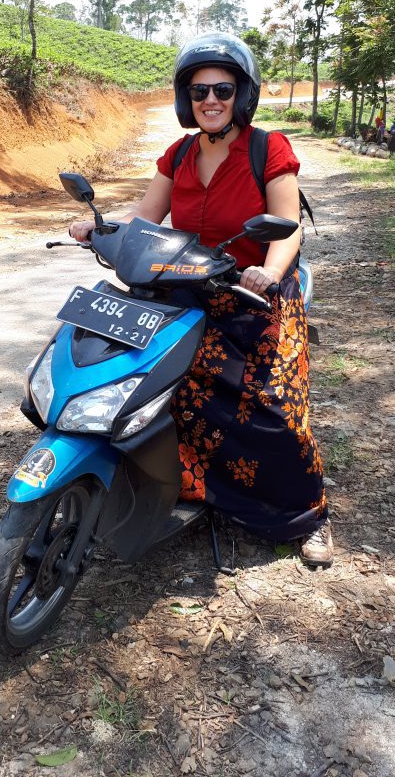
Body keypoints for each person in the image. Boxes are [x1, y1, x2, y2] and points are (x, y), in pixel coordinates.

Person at [68, 33, 332, 566]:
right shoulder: (179, 153)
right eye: (198, 91)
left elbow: (287, 230)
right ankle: (188, 488)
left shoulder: (268, 148)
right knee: (163, 389)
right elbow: (146, 219)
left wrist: (270, 271)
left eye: (223, 89)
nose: (210, 100)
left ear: (244, 94)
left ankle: (308, 515)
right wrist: (100, 229)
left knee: (274, 412)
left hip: (253, 295)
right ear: (184, 99)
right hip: (187, 289)